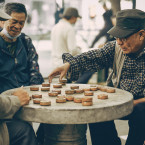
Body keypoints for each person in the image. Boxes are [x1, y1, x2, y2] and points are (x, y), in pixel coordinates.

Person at [49, 9, 145, 145]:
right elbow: (94, 57)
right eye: (117, 37)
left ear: (141, 34)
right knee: (97, 111)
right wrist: (70, 64)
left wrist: (136, 103)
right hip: (121, 100)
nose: (119, 42)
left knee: (142, 113)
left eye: (123, 37)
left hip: (141, 105)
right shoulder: (116, 48)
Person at [0, 2, 44, 145]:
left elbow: (34, 71)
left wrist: (32, 93)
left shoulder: (25, 41)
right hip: (5, 107)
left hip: (24, 103)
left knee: (45, 128)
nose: (18, 26)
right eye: (14, 21)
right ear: (2, 20)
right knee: (24, 133)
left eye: (22, 23)